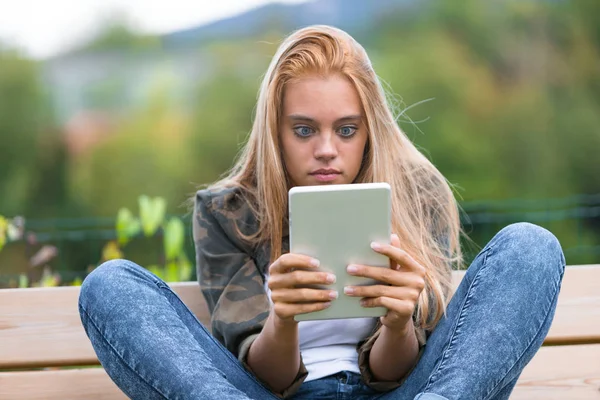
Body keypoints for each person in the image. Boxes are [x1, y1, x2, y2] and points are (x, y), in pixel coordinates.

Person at [78, 25, 566, 400]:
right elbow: (262, 371)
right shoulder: (227, 213)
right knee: (109, 285)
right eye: (305, 130)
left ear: (369, 128)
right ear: (276, 131)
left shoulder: (419, 198)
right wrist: (283, 320)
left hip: (408, 393)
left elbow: (401, 371)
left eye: (347, 130)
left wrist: (398, 325)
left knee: (531, 247)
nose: (327, 150)